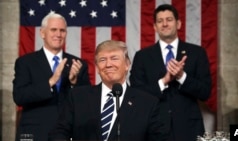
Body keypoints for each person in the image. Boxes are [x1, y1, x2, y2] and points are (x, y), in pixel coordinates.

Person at [48, 40, 167, 141]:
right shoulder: (78, 97)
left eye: (114, 58)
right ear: (97, 68)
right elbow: (58, 133)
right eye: (102, 60)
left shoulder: (147, 103)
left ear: (127, 64)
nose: (108, 64)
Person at [129, 4, 212, 141]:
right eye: (160, 21)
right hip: (154, 129)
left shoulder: (197, 53)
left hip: (188, 129)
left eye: (169, 19)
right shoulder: (142, 56)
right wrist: (163, 81)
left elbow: (205, 92)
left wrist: (181, 77)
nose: (165, 24)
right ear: (155, 27)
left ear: (178, 24)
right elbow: (136, 94)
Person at [12, 13, 91, 141]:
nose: (58, 34)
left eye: (62, 31)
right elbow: (20, 96)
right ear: (42, 33)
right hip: (36, 133)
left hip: (68, 134)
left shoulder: (77, 64)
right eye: (53, 30)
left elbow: (87, 102)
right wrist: (50, 82)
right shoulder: (25, 62)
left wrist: (73, 83)